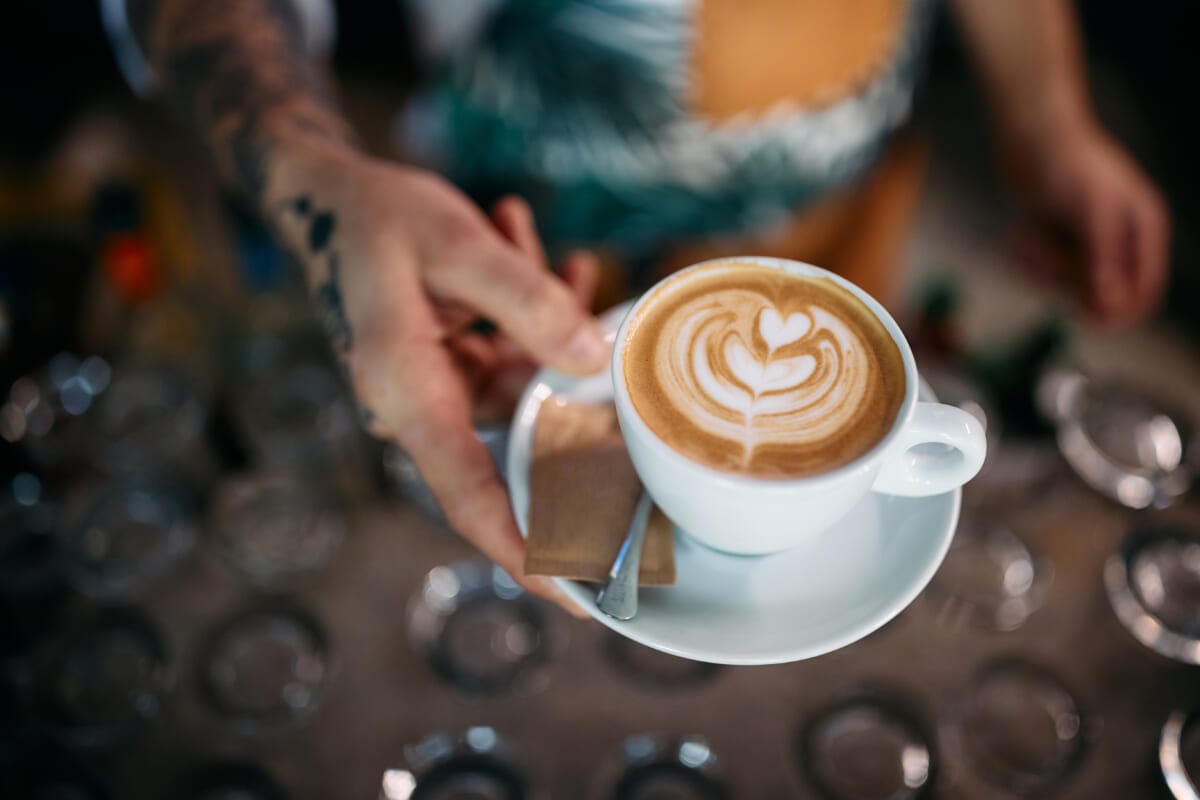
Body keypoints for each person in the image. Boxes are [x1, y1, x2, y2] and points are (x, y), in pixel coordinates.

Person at [105, 0, 1169, 612]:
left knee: (788, 447)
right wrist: (316, 173)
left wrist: (1046, 119)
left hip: (826, 200)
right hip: (526, 233)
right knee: (518, 503)